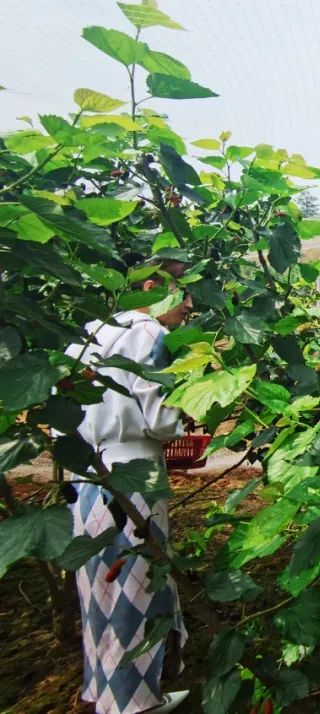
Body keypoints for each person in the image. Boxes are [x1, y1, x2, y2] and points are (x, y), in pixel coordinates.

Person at [64, 258, 193, 714]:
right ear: (153, 287)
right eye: (183, 293)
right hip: (135, 475)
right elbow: (161, 421)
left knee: (99, 592)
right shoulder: (148, 334)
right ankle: (135, 703)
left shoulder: (91, 331)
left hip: (88, 479)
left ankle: (101, 692)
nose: (189, 306)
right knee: (139, 590)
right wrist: (189, 406)